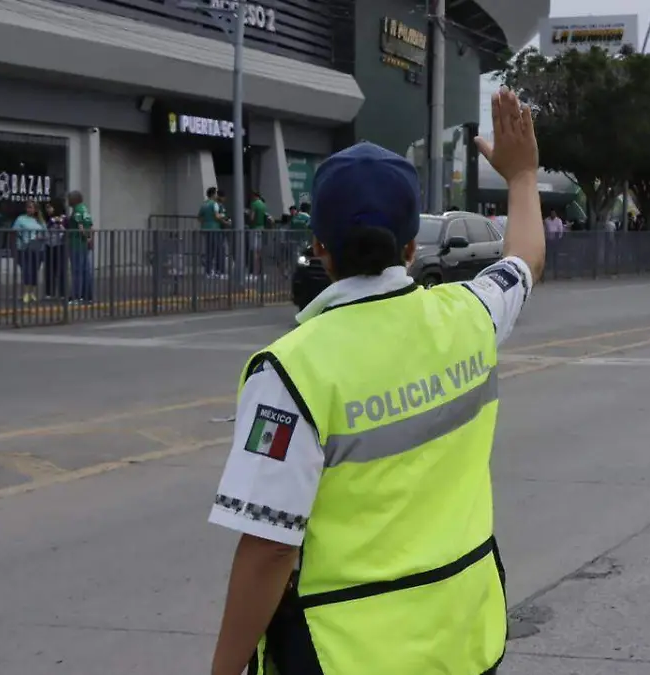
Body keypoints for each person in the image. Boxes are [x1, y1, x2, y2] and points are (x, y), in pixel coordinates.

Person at [208, 87, 545, 675]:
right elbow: (524, 260)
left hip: (347, 655)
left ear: (319, 247)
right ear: (412, 247)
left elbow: (268, 548)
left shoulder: (289, 371)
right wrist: (521, 177)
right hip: (463, 639)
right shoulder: (470, 315)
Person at [11, 200, 46, 303]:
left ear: (36, 209)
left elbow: (46, 233)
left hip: (37, 248)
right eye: (28, 207)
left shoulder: (40, 220)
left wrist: (41, 237)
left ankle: (32, 293)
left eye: (31, 207)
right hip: (24, 248)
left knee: (35, 270)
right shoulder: (21, 219)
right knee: (26, 270)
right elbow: (14, 232)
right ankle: (26, 292)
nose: (29, 209)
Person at [65, 190, 94, 305]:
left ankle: (76, 296)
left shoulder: (77, 211)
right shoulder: (84, 209)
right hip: (83, 245)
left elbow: (81, 227)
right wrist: (89, 239)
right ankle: (87, 296)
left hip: (76, 243)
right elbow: (90, 225)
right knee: (85, 270)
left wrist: (85, 237)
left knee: (77, 271)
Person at [200, 187, 228, 278]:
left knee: (209, 251)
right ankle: (220, 272)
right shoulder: (214, 204)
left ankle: (208, 272)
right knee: (219, 250)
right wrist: (222, 216)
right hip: (215, 229)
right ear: (213, 194)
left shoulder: (204, 204)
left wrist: (207, 221)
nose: (217, 195)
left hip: (206, 229)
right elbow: (216, 216)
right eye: (216, 193)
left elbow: (199, 217)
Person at [43, 202, 68, 300]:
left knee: (61, 269)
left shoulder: (64, 218)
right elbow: (46, 227)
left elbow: (66, 229)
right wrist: (52, 220)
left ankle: (62, 293)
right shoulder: (48, 218)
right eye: (47, 208)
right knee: (49, 269)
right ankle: (49, 292)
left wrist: (60, 223)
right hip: (49, 245)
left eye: (50, 207)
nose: (48, 210)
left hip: (60, 246)